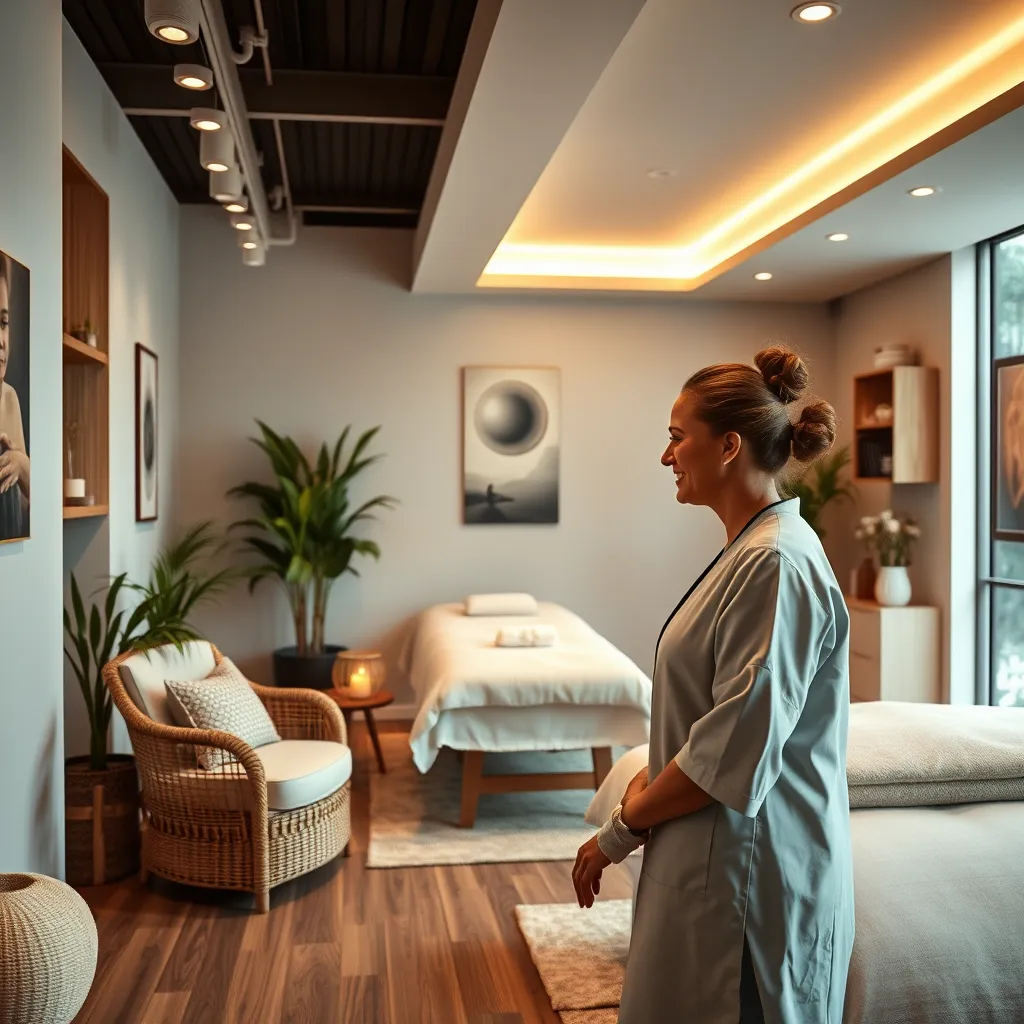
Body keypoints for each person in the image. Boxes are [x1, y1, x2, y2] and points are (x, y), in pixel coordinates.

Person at [572, 346, 854, 1023]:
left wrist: (615, 833)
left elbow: (730, 752)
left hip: (748, 879)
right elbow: (717, 713)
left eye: (676, 437)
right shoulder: (754, 547)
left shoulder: (775, 565)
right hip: (715, 860)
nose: (665, 456)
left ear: (727, 445)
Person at [0, 252, 30, 540]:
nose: (1, 340)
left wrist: (22, 466)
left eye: (3, 322)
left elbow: (26, 508)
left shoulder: (10, 398)